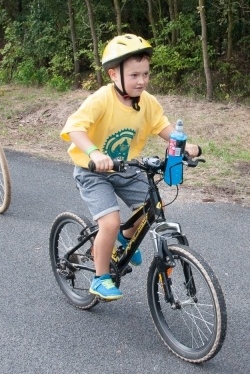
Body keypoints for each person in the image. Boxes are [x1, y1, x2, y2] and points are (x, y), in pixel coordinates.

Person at [60, 34, 201, 301]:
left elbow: (162, 126)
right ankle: (100, 278)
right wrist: (94, 152)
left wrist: (184, 145)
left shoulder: (147, 101)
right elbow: (74, 128)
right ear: (114, 74)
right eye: (135, 75)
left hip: (125, 168)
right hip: (93, 170)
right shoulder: (101, 99)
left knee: (151, 207)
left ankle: (123, 244)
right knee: (110, 222)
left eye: (145, 74)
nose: (142, 81)